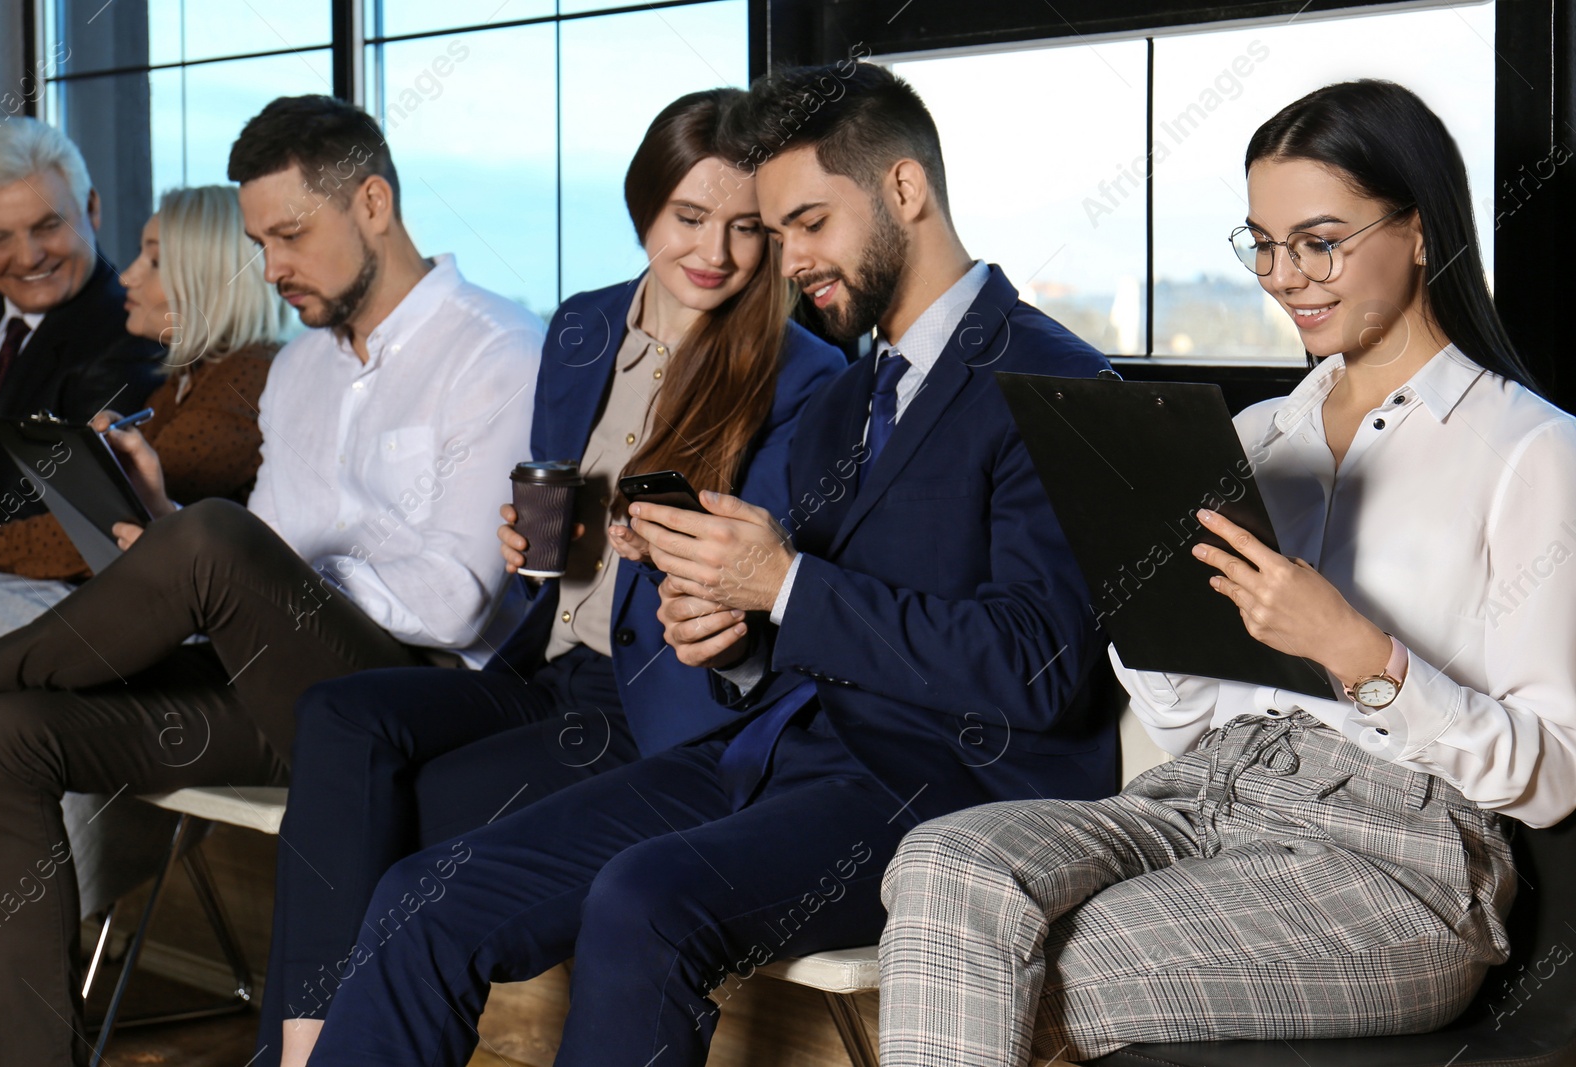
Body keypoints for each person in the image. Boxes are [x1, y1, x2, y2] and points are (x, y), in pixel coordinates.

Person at [297, 62, 1115, 1067]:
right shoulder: (845, 405)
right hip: (765, 753)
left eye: (809, 221)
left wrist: (778, 584)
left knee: (644, 901)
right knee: (420, 895)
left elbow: (1037, 665)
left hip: (939, 789)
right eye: (779, 234)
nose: (789, 259)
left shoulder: (1058, 383)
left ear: (905, 190)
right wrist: (727, 630)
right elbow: (789, 634)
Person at [875, 79, 1576, 1067]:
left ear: (1419, 232)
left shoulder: (1531, 450)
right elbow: (1188, 722)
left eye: (1319, 240)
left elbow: (1554, 776)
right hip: (1207, 795)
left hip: (1395, 863)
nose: (1286, 276)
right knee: (944, 864)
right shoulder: (1255, 438)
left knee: (986, 964)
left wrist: (1359, 653)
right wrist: (1136, 605)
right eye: (1262, 244)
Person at [255, 87, 845, 1067]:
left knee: (388, 833)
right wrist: (550, 549)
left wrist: (685, 566)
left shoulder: (801, 376)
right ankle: (305, 1049)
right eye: (688, 218)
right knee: (341, 718)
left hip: (651, 709)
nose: (716, 252)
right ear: (643, 205)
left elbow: (766, 599)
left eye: (748, 229)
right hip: (542, 670)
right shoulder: (581, 329)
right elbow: (555, 547)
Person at [0, 94, 541, 1067]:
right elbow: (252, 562)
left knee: (215, 537)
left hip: (419, 696)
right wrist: (161, 534)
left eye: (291, 234)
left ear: (372, 203)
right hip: (279, 698)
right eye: (258, 239)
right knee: (2, 734)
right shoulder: (301, 374)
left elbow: (455, 598)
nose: (271, 266)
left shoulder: (499, 352)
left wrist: (251, 564)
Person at [0, 184, 289, 648]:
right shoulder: (191, 381)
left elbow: (110, 523)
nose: (128, 277)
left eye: (155, 262)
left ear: (206, 277)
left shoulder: (245, 381)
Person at [0, 117, 162, 545]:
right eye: (0, 238)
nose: (28, 258)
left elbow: (42, 506)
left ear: (92, 208)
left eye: (48, 226)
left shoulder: (130, 336)